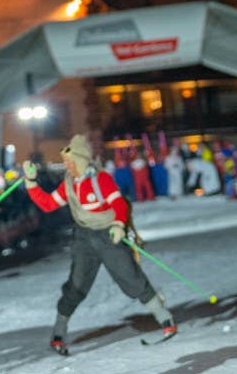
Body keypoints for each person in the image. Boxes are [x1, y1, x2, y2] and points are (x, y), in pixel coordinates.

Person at [22, 134, 175, 356]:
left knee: (130, 277)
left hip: (107, 235)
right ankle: (58, 332)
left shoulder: (101, 179)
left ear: (80, 161)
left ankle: (164, 318)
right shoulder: (69, 184)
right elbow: (47, 204)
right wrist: (31, 182)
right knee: (76, 285)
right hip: (83, 238)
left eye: (69, 163)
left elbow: (119, 204)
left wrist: (118, 225)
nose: (67, 167)